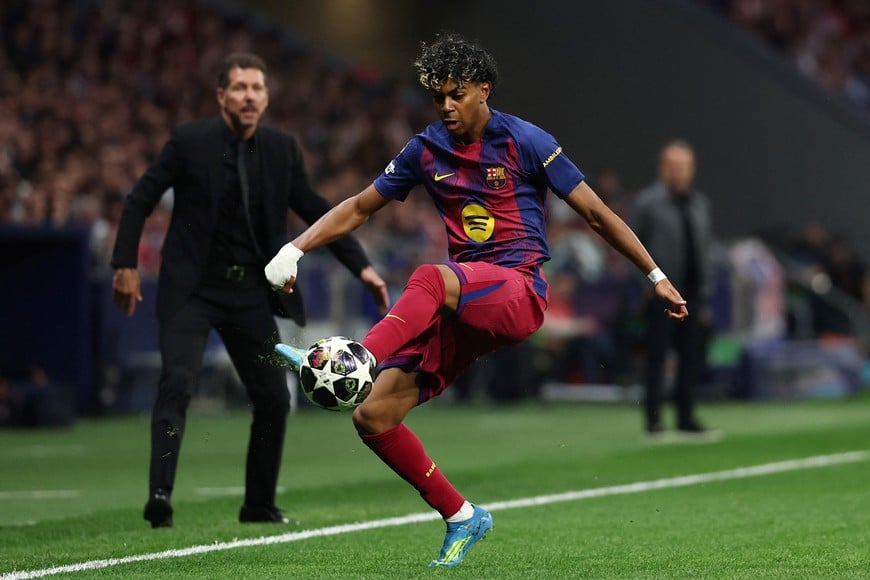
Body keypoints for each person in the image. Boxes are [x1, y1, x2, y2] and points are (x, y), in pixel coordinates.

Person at [264, 33, 687, 567]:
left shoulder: (526, 140)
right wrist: (295, 248)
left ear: (483, 89)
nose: (446, 107)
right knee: (373, 415)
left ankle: (358, 359)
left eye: (456, 94)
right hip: (465, 304)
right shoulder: (425, 150)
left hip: (518, 290)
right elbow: (359, 207)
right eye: (437, 97)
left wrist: (655, 275)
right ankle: (462, 515)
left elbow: (597, 214)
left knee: (430, 277)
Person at [110, 52, 390, 529]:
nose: (248, 96)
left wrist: (361, 266)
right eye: (239, 88)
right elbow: (140, 199)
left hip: (248, 298)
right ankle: (160, 496)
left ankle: (258, 505)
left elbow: (315, 207)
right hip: (191, 293)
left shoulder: (281, 149)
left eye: (256, 88)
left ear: (266, 97)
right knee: (177, 383)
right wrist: (124, 263)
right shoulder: (188, 141)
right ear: (221, 95)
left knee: (274, 397)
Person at [631, 140, 714, 436]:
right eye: (674, 166)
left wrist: (705, 290)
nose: (679, 172)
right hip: (661, 293)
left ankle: (686, 417)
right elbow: (631, 246)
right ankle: (653, 420)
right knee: (657, 356)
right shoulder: (647, 203)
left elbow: (705, 248)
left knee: (691, 357)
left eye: (684, 166)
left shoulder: (699, 203)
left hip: (692, 293)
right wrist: (645, 285)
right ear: (663, 168)